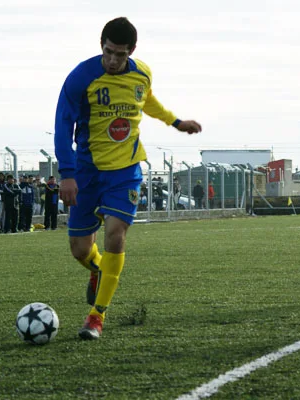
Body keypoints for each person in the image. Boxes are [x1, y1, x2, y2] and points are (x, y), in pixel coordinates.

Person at [54, 17, 202, 340]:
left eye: (119, 55)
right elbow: (63, 123)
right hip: (87, 171)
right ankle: (98, 269)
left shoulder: (142, 73)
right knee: (80, 249)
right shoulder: (81, 78)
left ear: (131, 51)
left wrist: (176, 123)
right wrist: (66, 174)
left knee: (115, 234)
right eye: (108, 52)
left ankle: (96, 316)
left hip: (125, 171)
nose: (112, 60)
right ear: (101, 46)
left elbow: (147, 99)